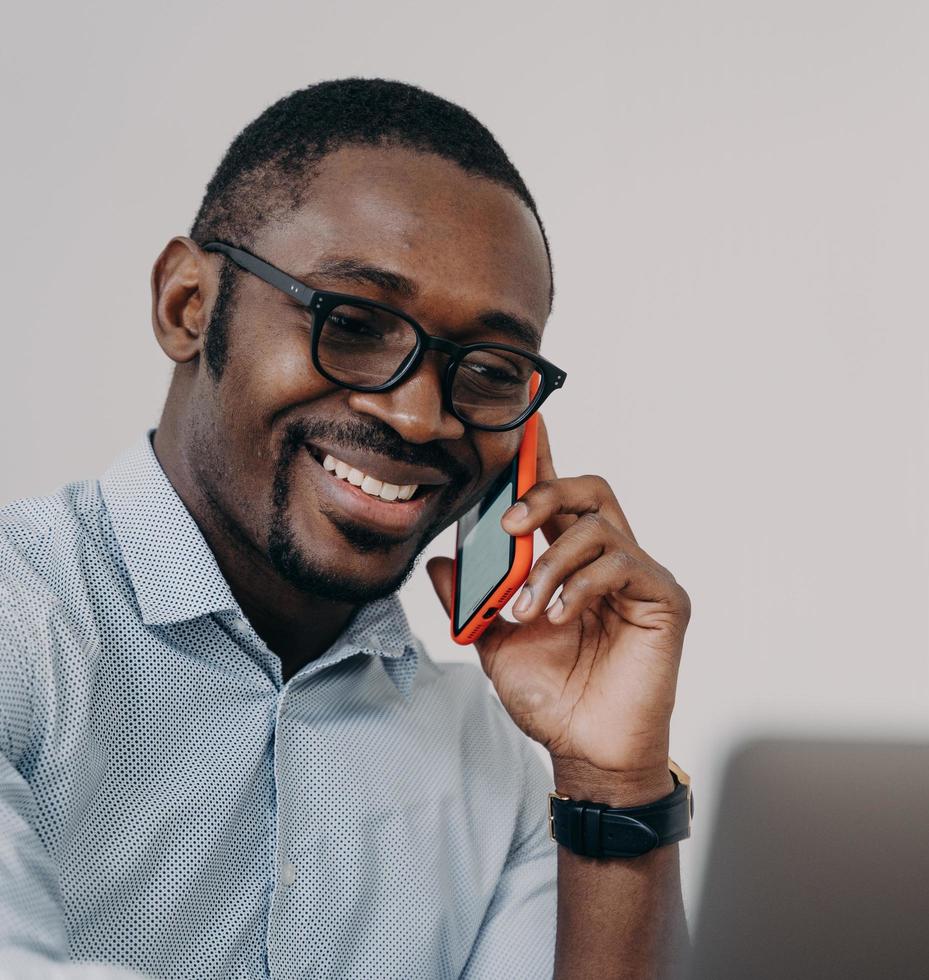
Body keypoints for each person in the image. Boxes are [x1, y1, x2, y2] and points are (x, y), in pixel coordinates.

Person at [0, 77, 693, 979]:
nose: (418, 418)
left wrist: (613, 788)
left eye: (490, 368)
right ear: (187, 305)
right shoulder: (22, 629)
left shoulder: (498, 762)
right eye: (354, 322)